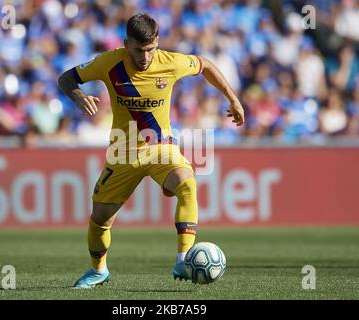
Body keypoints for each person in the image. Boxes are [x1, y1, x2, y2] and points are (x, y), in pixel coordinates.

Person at [57, 12, 244, 289]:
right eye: (138, 50)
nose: (145, 57)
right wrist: (79, 96)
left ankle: (183, 259)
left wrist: (233, 98)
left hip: (161, 148)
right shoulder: (109, 62)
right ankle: (98, 271)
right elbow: (65, 79)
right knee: (100, 219)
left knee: (187, 182)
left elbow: (206, 66)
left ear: (157, 43)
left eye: (151, 49)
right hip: (123, 152)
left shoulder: (171, 62)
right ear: (126, 44)